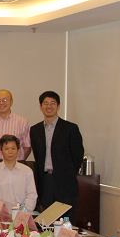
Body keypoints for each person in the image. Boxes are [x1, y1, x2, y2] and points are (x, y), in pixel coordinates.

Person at [30, 91, 84, 220]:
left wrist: (67, 173)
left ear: (58, 106)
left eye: (53, 103)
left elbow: (77, 155)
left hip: (65, 182)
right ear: (41, 106)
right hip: (45, 182)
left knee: (66, 222)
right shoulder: (35, 130)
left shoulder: (70, 128)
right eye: (45, 103)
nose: (49, 106)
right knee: (46, 221)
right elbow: (37, 155)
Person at [0, 135, 37, 211]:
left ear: (18, 151)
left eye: (13, 148)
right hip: (0, 214)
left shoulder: (27, 171)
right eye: (6, 149)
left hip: (22, 214)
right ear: (1, 151)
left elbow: (31, 196)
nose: (10, 152)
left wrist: (22, 212)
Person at [0, 89, 31, 160]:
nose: (1, 103)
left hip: (16, 164)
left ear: (11, 102)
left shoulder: (22, 122)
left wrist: (17, 161)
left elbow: (27, 147)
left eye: (5, 100)